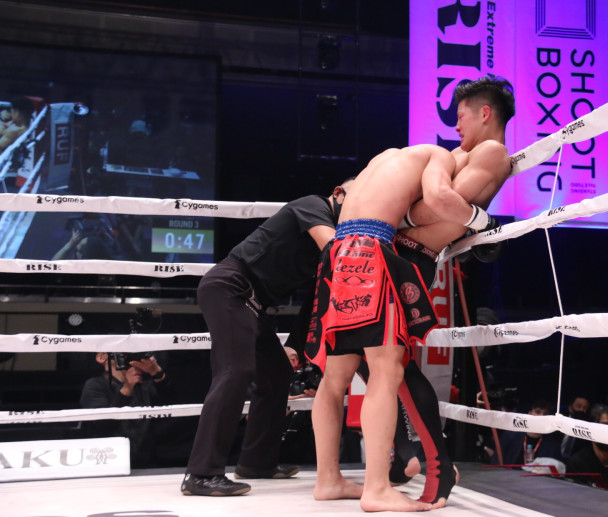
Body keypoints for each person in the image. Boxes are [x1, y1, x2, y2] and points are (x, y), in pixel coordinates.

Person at [306, 142, 506, 511]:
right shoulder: (437, 156)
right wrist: (485, 222)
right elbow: (441, 197)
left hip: (336, 252)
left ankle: (328, 480)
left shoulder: (382, 159)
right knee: (387, 371)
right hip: (371, 251)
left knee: (334, 379)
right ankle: (377, 489)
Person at [381, 74, 517, 504]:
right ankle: (410, 451)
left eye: (461, 116)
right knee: (372, 356)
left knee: (385, 358)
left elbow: (438, 205)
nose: (455, 125)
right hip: (401, 252)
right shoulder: (463, 153)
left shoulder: (491, 151)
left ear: (485, 113)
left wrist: (403, 213)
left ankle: (428, 457)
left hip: (411, 255)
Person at [180, 178, 352, 496]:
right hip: (230, 286)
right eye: (359, 196)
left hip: (254, 303)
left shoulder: (333, 239)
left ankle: (256, 462)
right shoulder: (313, 205)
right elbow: (336, 250)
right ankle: (201, 474)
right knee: (235, 370)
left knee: (276, 373)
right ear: (338, 193)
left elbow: (315, 301)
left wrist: (294, 345)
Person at [80, 352, 169, 468]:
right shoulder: (95, 385)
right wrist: (127, 389)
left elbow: (173, 408)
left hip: (148, 462)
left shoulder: (145, 384)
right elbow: (102, 426)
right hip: (108, 461)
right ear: (101, 357)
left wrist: (156, 373)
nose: (124, 352)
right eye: (118, 348)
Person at [490, 400, 564, 471]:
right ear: (529, 413)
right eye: (538, 412)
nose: (541, 416)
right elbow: (496, 462)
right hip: (507, 477)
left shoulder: (553, 445)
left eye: (545, 414)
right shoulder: (511, 436)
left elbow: (557, 471)